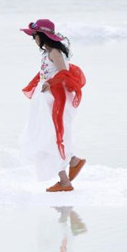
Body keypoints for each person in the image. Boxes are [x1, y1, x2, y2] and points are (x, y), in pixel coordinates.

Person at [19, 19, 87, 192]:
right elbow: (47, 72)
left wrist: (50, 83)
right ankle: (73, 161)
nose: (33, 39)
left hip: (54, 98)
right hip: (45, 98)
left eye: (34, 35)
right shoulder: (47, 52)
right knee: (44, 133)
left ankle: (65, 181)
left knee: (49, 135)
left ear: (42, 36)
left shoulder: (55, 52)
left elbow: (64, 72)